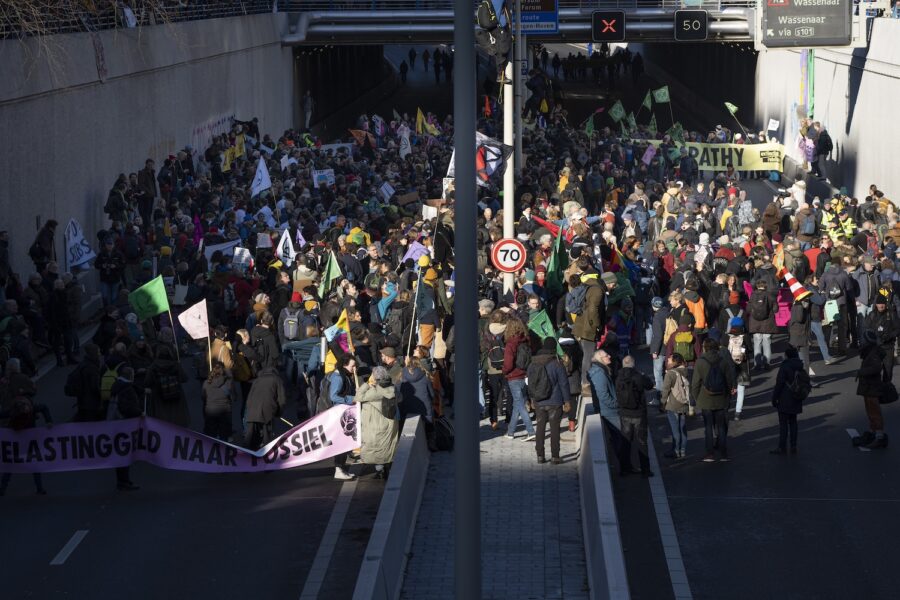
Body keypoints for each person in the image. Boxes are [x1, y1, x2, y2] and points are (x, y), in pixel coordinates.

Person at [691, 339, 736, 462]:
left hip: (705, 400)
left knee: (708, 427)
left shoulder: (700, 362)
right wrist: (727, 397)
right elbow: (729, 380)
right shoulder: (723, 361)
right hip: (721, 399)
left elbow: (695, 384)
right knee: (721, 427)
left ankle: (709, 453)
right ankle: (723, 453)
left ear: (705, 347)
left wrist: (696, 398)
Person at [0, 391, 52, 496]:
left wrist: (49, 421)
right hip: (22, 437)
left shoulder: (29, 409)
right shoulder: (15, 411)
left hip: (22, 437)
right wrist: (48, 421)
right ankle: (39, 488)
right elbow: (44, 408)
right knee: (29, 462)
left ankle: (2, 489)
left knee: (14, 462)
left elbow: (44, 407)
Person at [529, 337, 570, 465]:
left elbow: (530, 383)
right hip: (555, 402)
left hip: (539, 401)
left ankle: (540, 456)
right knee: (554, 429)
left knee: (540, 428)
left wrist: (531, 399)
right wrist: (567, 401)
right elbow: (564, 384)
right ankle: (555, 457)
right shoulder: (557, 364)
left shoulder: (533, 363)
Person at [355, 366, 399, 479]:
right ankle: (385, 468)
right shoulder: (391, 387)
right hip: (388, 423)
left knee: (375, 448)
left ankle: (381, 471)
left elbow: (358, 397)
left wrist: (366, 385)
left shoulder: (375, 391)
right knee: (386, 447)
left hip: (375, 423)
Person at [615, 355, 655, 477]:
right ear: (633, 364)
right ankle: (645, 470)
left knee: (626, 441)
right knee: (642, 442)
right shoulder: (638, 376)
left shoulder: (618, 376)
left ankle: (624, 468)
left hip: (624, 413)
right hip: (639, 413)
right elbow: (649, 385)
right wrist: (643, 375)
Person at [107, 365, 142, 491]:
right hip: (125, 424)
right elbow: (127, 408)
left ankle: (122, 480)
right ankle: (124, 481)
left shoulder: (117, 386)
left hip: (116, 424)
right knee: (125, 453)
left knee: (120, 453)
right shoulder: (127, 389)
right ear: (131, 376)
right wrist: (139, 413)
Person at [853, 330, 889, 449]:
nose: (861, 342)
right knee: (870, 411)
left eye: (863, 340)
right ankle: (873, 432)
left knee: (874, 412)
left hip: (872, 387)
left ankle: (879, 436)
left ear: (868, 341)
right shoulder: (869, 351)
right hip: (868, 388)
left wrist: (861, 372)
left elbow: (876, 368)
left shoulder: (873, 353)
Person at [770, 346, 809, 455]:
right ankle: (793, 445)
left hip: (784, 398)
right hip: (796, 398)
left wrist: (774, 398)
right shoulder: (800, 366)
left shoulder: (785, 366)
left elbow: (779, 384)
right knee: (793, 422)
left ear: (787, 355)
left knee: (783, 424)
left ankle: (782, 447)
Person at [501, 318, 535, 441]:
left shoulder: (510, 343)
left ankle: (531, 431)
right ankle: (510, 432)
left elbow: (508, 364)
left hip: (513, 377)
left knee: (520, 405)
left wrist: (504, 370)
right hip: (524, 374)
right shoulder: (525, 340)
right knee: (517, 404)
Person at [327, 356, 359, 479]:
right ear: (344, 365)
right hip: (338, 413)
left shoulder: (343, 375)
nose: (354, 368)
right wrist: (352, 399)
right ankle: (338, 468)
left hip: (342, 412)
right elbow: (333, 396)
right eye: (352, 366)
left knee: (343, 442)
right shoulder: (339, 377)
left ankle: (341, 469)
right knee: (341, 442)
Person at [244, 361, 286, 451]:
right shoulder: (277, 379)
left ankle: (246, 453)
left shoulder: (257, 380)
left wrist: (248, 409)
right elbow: (282, 399)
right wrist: (279, 412)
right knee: (267, 432)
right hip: (268, 409)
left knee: (250, 433)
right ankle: (266, 453)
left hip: (252, 408)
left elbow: (249, 397)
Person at [145, 344, 189, 428]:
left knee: (163, 417)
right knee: (176, 417)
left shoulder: (153, 366)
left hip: (159, 396)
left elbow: (147, 382)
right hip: (175, 394)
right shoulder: (175, 364)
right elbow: (184, 378)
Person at [661, 353, 690, 459]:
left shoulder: (670, 374)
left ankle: (676, 451)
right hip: (684, 403)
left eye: (669, 359)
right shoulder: (686, 371)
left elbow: (665, 390)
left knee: (675, 430)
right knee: (683, 428)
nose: (667, 360)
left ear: (674, 362)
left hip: (673, 405)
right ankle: (683, 450)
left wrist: (663, 402)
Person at [202, 361, 234, 441]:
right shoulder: (227, 383)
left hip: (210, 411)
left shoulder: (206, 383)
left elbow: (203, 397)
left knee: (212, 434)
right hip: (224, 411)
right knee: (223, 435)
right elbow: (230, 375)